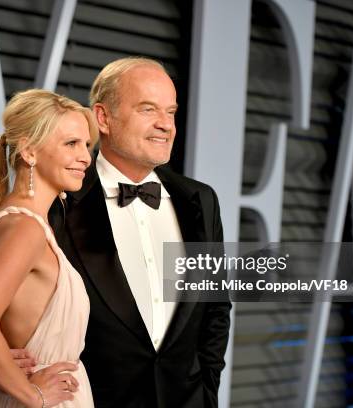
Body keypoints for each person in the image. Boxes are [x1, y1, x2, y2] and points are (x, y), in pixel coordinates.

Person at [51, 57, 232, 407]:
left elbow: (215, 307)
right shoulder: (60, 198)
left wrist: (207, 389)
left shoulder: (200, 200)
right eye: (148, 109)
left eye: (171, 112)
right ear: (103, 118)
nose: (166, 125)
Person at [0, 89, 98, 407]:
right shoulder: (24, 228)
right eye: (71, 143)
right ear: (29, 152)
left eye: (86, 145)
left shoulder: (21, 222)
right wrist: (35, 396)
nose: (86, 156)